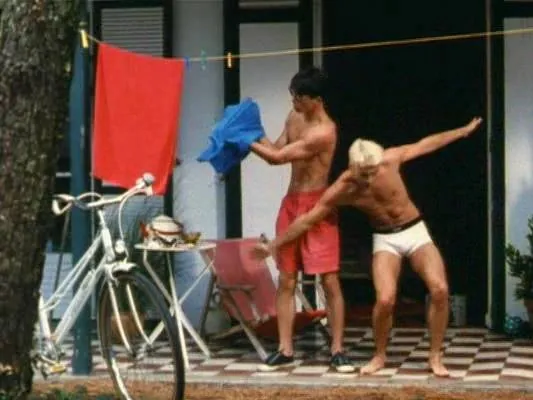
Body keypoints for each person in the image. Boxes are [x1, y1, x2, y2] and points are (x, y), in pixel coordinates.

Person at [251, 117, 483, 377]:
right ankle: (379, 355)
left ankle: (435, 356)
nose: (371, 178)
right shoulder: (343, 188)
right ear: (353, 167)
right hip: (385, 239)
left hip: (414, 231)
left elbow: (426, 144)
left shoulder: (390, 159)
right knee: (385, 299)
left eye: (373, 171)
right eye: (365, 174)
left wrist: (462, 131)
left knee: (440, 289)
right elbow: (307, 219)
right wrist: (274, 245)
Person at [249, 66, 354, 373]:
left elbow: (276, 159)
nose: (293, 101)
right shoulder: (294, 117)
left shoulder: (325, 131)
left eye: (299, 97)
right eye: (292, 95)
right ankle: (285, 349)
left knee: (329, 280)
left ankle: (337, 349)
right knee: (286, 279)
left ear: (316, 100)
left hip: (318, 205)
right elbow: (275, 148)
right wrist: (251, 130)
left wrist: (242, 141)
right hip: (291, 202)